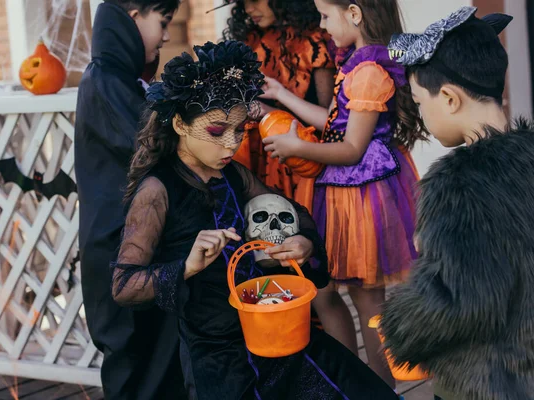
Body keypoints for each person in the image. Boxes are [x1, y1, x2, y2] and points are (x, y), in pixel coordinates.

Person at [111, 40, 400, 400]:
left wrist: (302, 242)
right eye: (217, 131)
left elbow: (294, 213)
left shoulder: (234, 175)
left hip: (279, 334)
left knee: (355, 387)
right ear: (181, 125)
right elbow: (123, 285)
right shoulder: (157, 190)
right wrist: (185, 266)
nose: (230, 145)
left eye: (239, 131)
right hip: (219, 360)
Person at [258, 0, 426, 388]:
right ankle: (350, 384)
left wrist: (298, 148)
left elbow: (351, 148)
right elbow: (333, 124)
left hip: (363, 196)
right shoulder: (352, 63)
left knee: (369, 299)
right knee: (324, 290)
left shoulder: (368, 71)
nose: (321, 24)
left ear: (354, 13)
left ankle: (380, 390)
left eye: (325, 15)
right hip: (335, 193)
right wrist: (283, 95)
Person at [380, 8, 534, 400]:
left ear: (448, 98)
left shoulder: (457, 186)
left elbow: (459, 300)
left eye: (419, 101)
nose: (421, 113)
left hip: (484, 380)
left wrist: (397, 320)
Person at [74, 1, 185, 399]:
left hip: (141, 242)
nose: (168, 35)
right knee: (134, 371)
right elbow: (154, 147)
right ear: (133, 15)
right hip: (120, 251)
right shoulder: (104, 81)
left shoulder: (123, 79)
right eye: (163, 22)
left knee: (161, 368)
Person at [219, 0, 335, 206]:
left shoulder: (313, 40)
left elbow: (330, 123)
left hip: (300, 160)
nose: (248, 9)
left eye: (254, 0)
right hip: (253, 157)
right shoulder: (248, 40)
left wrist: (269, 112)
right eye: (242, 3)